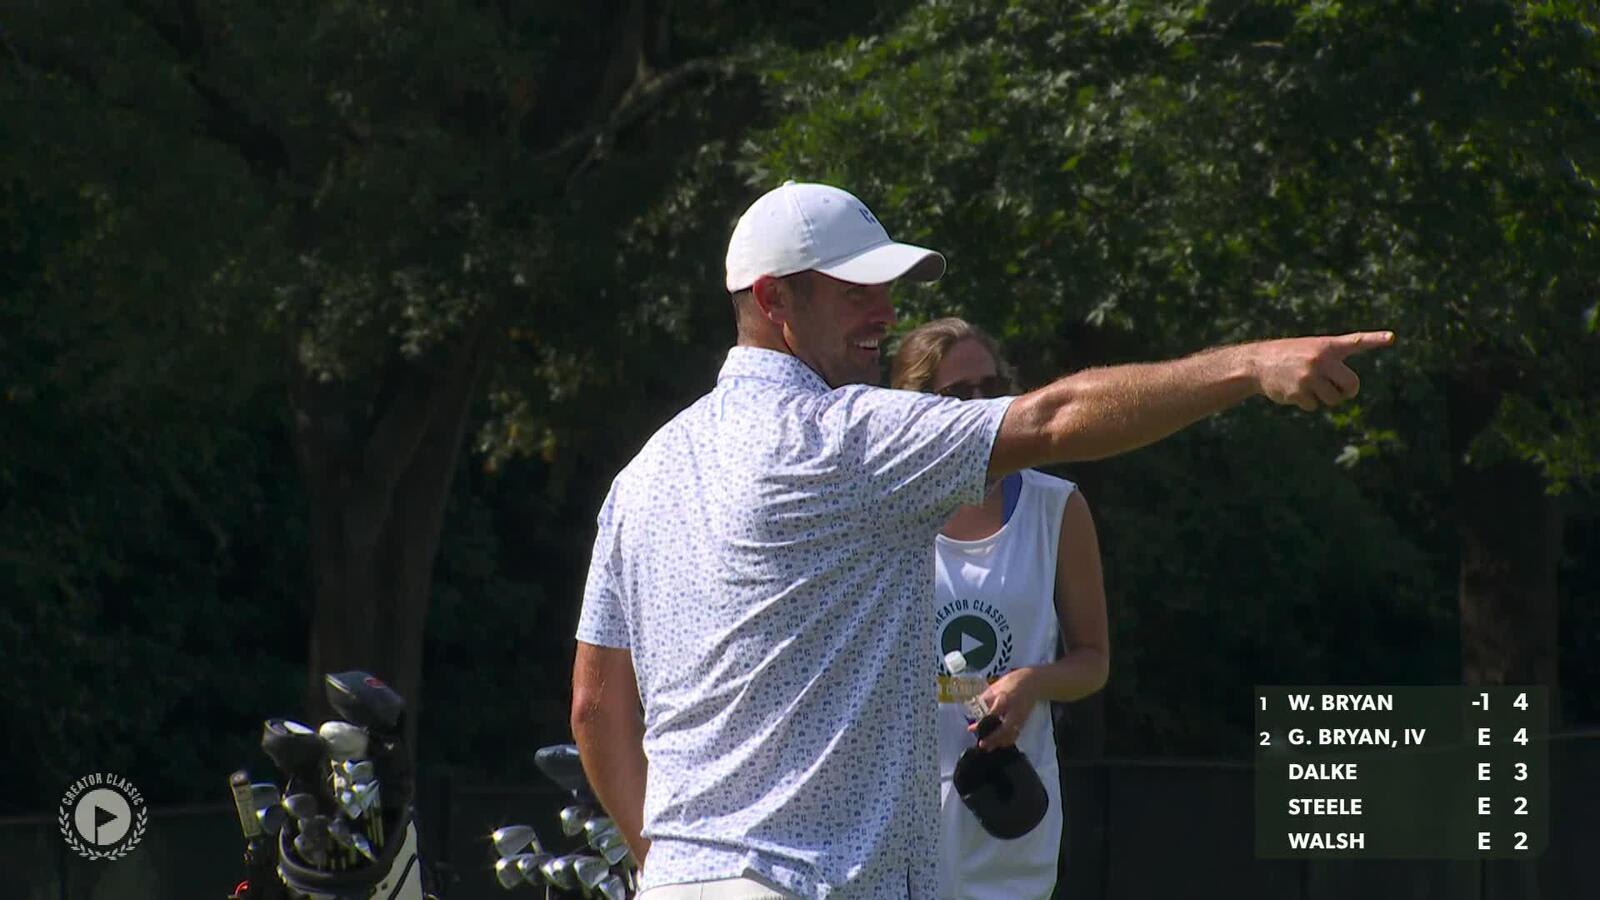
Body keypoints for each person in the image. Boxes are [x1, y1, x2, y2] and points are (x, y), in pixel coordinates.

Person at [570, 180, 1392, 900]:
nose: (885, 314)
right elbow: (1054, 417)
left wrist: (671, 864)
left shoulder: (642, 477)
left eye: (886, 290)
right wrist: (1250, 366)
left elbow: (596, 707)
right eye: (856, 291)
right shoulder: (841, 438)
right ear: (775, 301)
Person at [891, 318, 1107, 900]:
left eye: (991, 389)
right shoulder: (881, 513)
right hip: (888, 828)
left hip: (1004, 813)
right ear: (909, 406)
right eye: (957, 395)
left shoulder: (1055, 508)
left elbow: (1093, 662)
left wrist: (1031, 683)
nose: (979, 406)